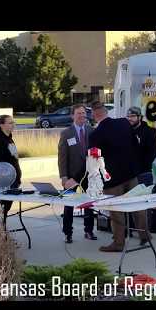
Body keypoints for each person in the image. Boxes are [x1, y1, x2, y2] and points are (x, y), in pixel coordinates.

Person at [88, 101, 149, 252]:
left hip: (113, 180)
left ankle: (118, 243)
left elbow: (94, 160)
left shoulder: (95, 134)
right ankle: (144, 236)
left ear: (95, 115)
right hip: (130, 174)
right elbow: (136, 145)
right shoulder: (123, 123)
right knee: (137, 205)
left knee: (116, 211)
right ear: (105, 112)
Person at [58, 104, 96, 244]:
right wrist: (64, 177)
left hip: (88, 175)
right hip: (72, 177)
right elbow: (62, 157)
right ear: (72, 115)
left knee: (89, 203)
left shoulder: (92, 131)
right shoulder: (66, 133)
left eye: (84, 113)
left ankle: (89, 230)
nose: (82, 115)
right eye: (79, 113)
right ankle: (68, 233)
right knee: (69, 205)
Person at [0, 115, 22, 224]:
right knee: (2, 209)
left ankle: (2, 236)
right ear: (1, 125)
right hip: (3, 180)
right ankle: (0, 236)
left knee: (6, 209)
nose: (13, 125)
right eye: (10, 123)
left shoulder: (9, 138)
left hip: (14, 179)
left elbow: (14, 156)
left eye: (13, 122)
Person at [126, 106, 156, 186]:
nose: (130, 119)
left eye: (133, 116)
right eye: (128, 116)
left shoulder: (149, 132)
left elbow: (153, 151)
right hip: (128, 175)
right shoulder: (126, 131)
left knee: (144, 197)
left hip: (143, 174)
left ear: (140, 117)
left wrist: (142, 166)